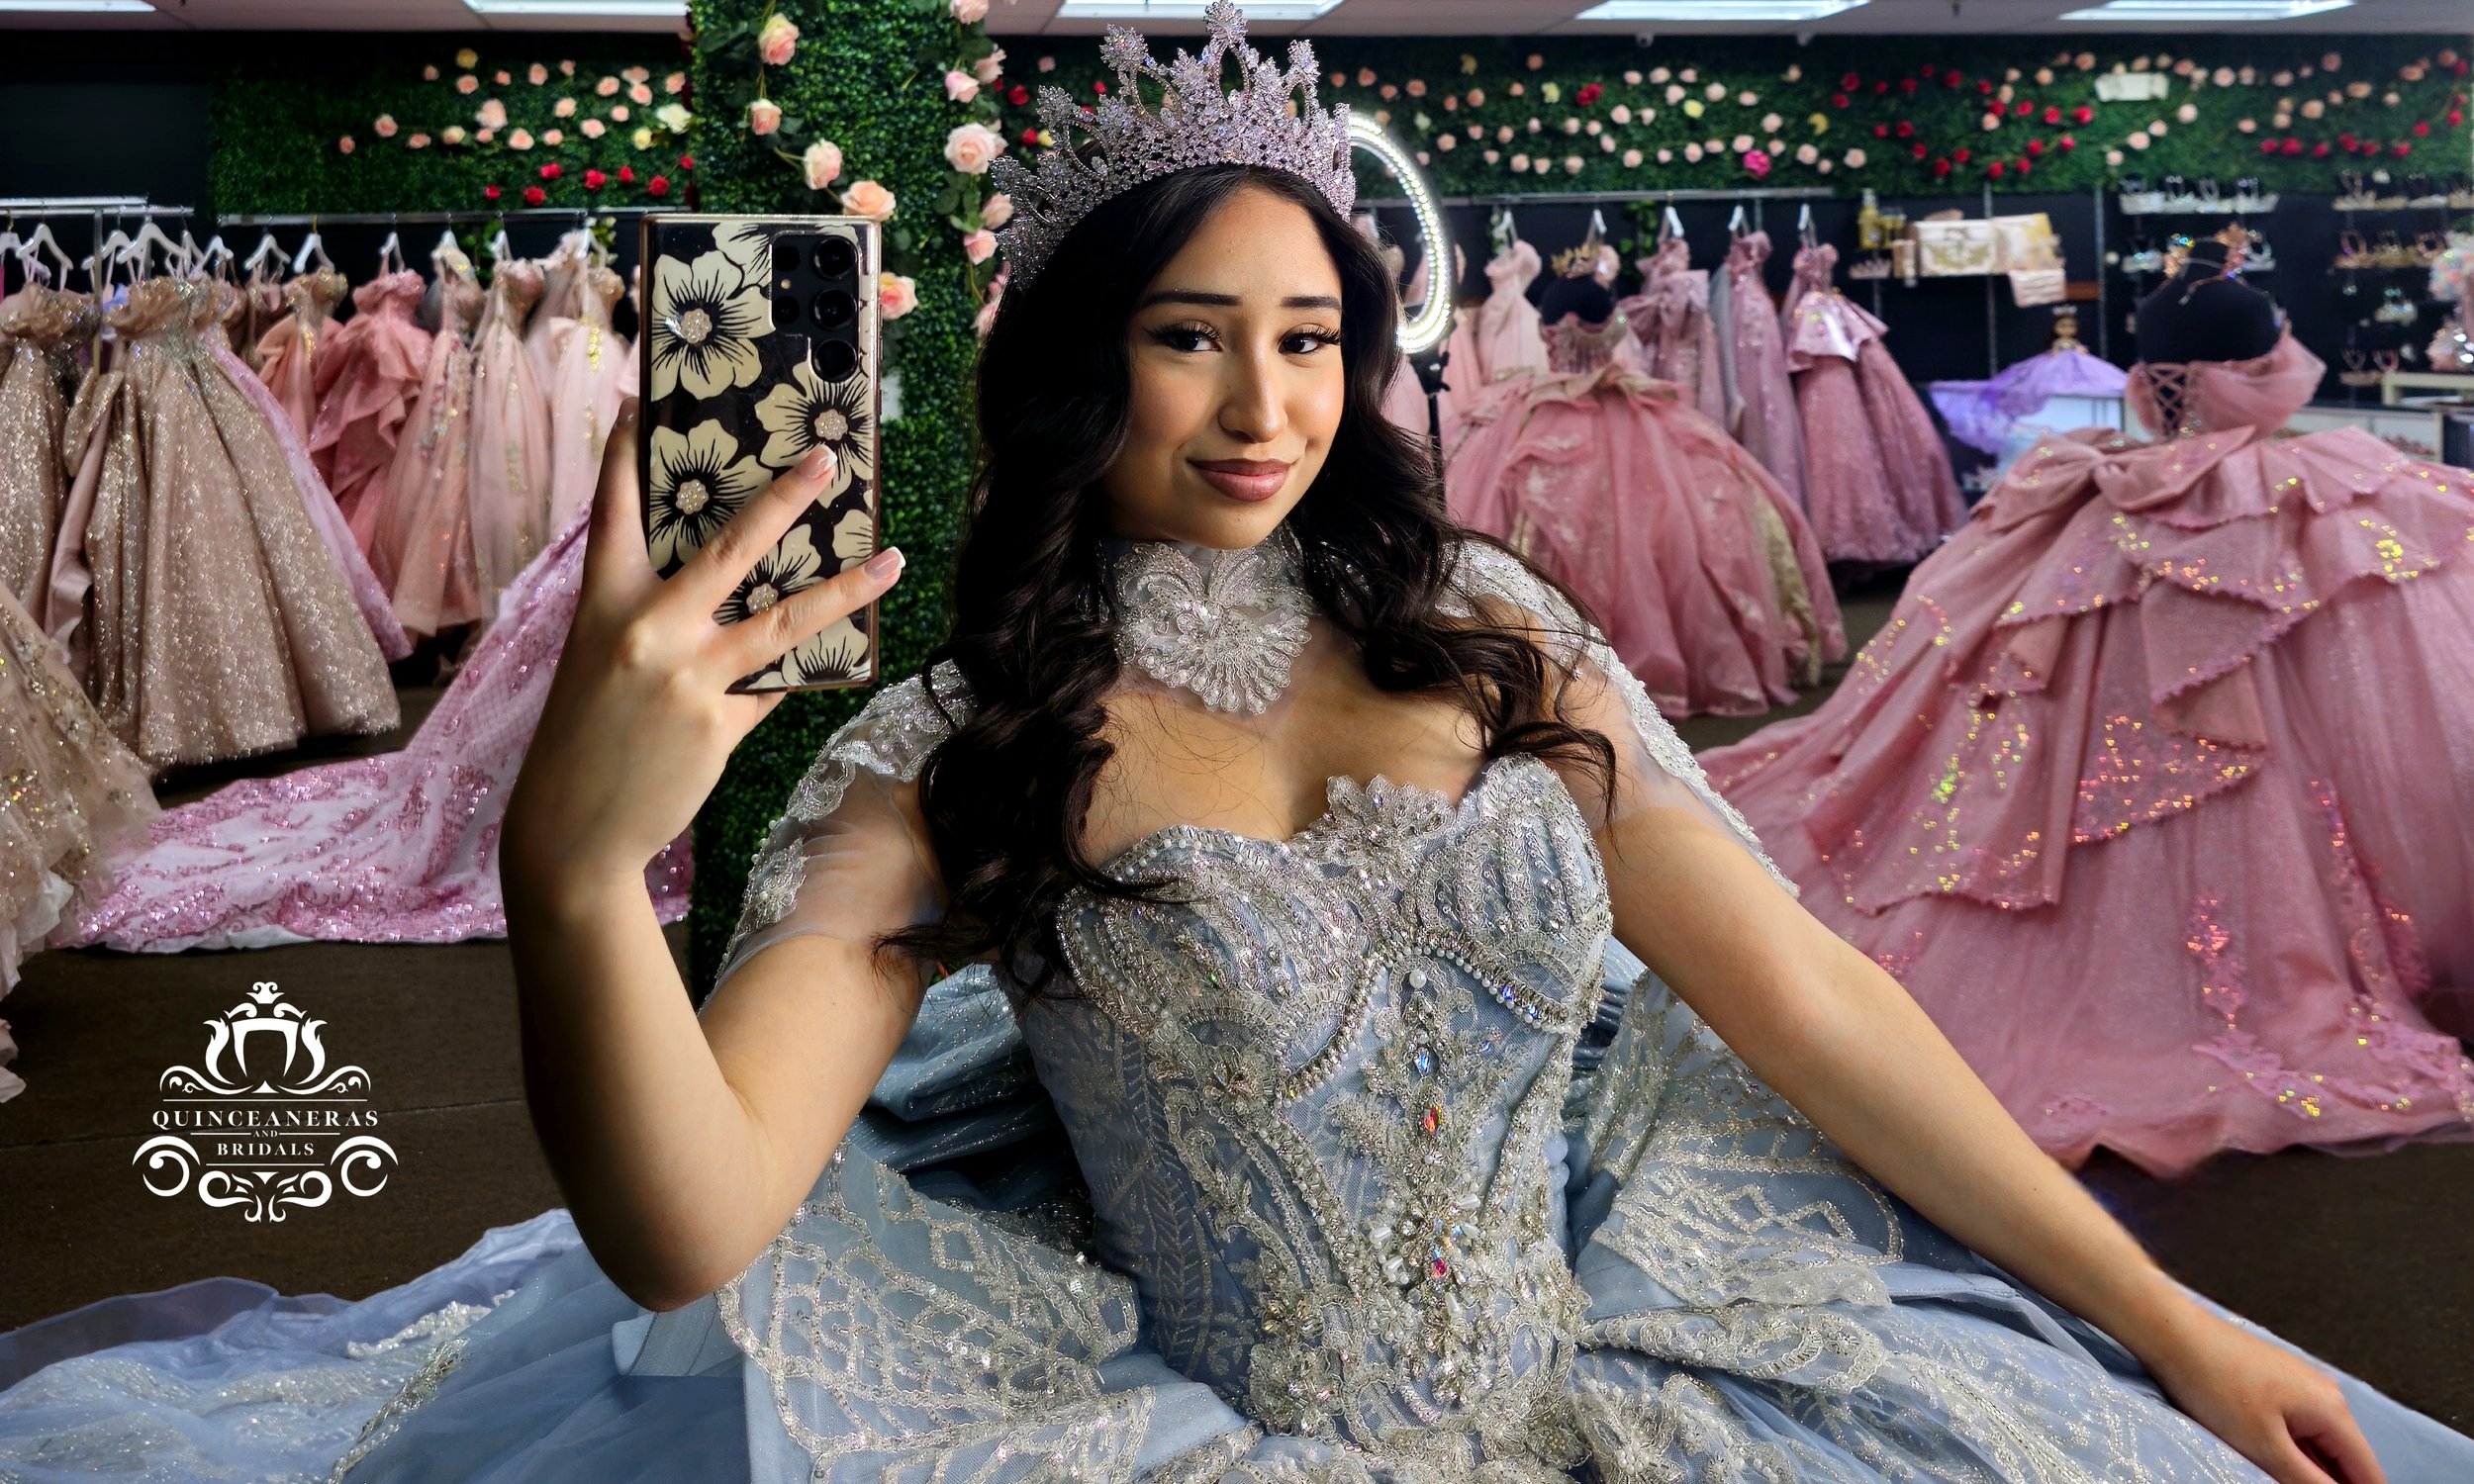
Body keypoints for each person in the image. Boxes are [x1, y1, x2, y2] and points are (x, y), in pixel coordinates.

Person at [0, 10, 2466, 1482]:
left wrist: (2166, 1316)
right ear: (1083, 362)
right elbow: (693, 1225)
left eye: (1312, 335)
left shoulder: (1487, 625)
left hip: (1616, 1373)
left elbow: (1802, 1002)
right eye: (1192, 334)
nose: (1267, 400)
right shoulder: (959, 744)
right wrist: (564, 877)